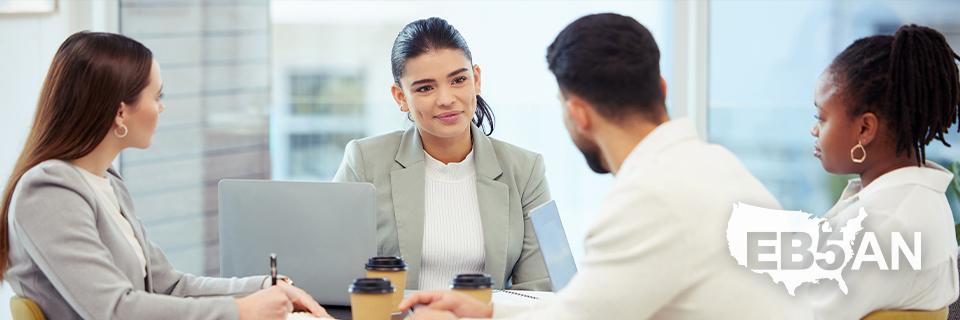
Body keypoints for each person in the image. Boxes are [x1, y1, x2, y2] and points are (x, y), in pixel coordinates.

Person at [398, 13, 811, 319]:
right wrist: (487, 313)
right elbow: (588, 304)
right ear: (661, 88)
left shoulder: (649, 199)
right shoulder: (718, 166)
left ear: (578, 114)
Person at [0, 31, 329, 320]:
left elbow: (170, 286)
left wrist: (266, 288)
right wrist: (241, 312)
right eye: (157, 96)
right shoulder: (48, 191)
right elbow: (114, 310)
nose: (161, 108)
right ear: (120, 112)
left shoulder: (107, 182)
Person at [333, 17, 551, 291]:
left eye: (458, 80)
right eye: (425, 87)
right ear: (400, 97)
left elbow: (542, 288)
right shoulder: (363, 162)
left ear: (476, 79)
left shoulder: (527, 170)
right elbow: (333, 272)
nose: (446, 99)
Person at [799, 24, 959, 319]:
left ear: (864, 128)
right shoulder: (916, 201)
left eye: (821, 117)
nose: (814, 130)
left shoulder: (882, 225)